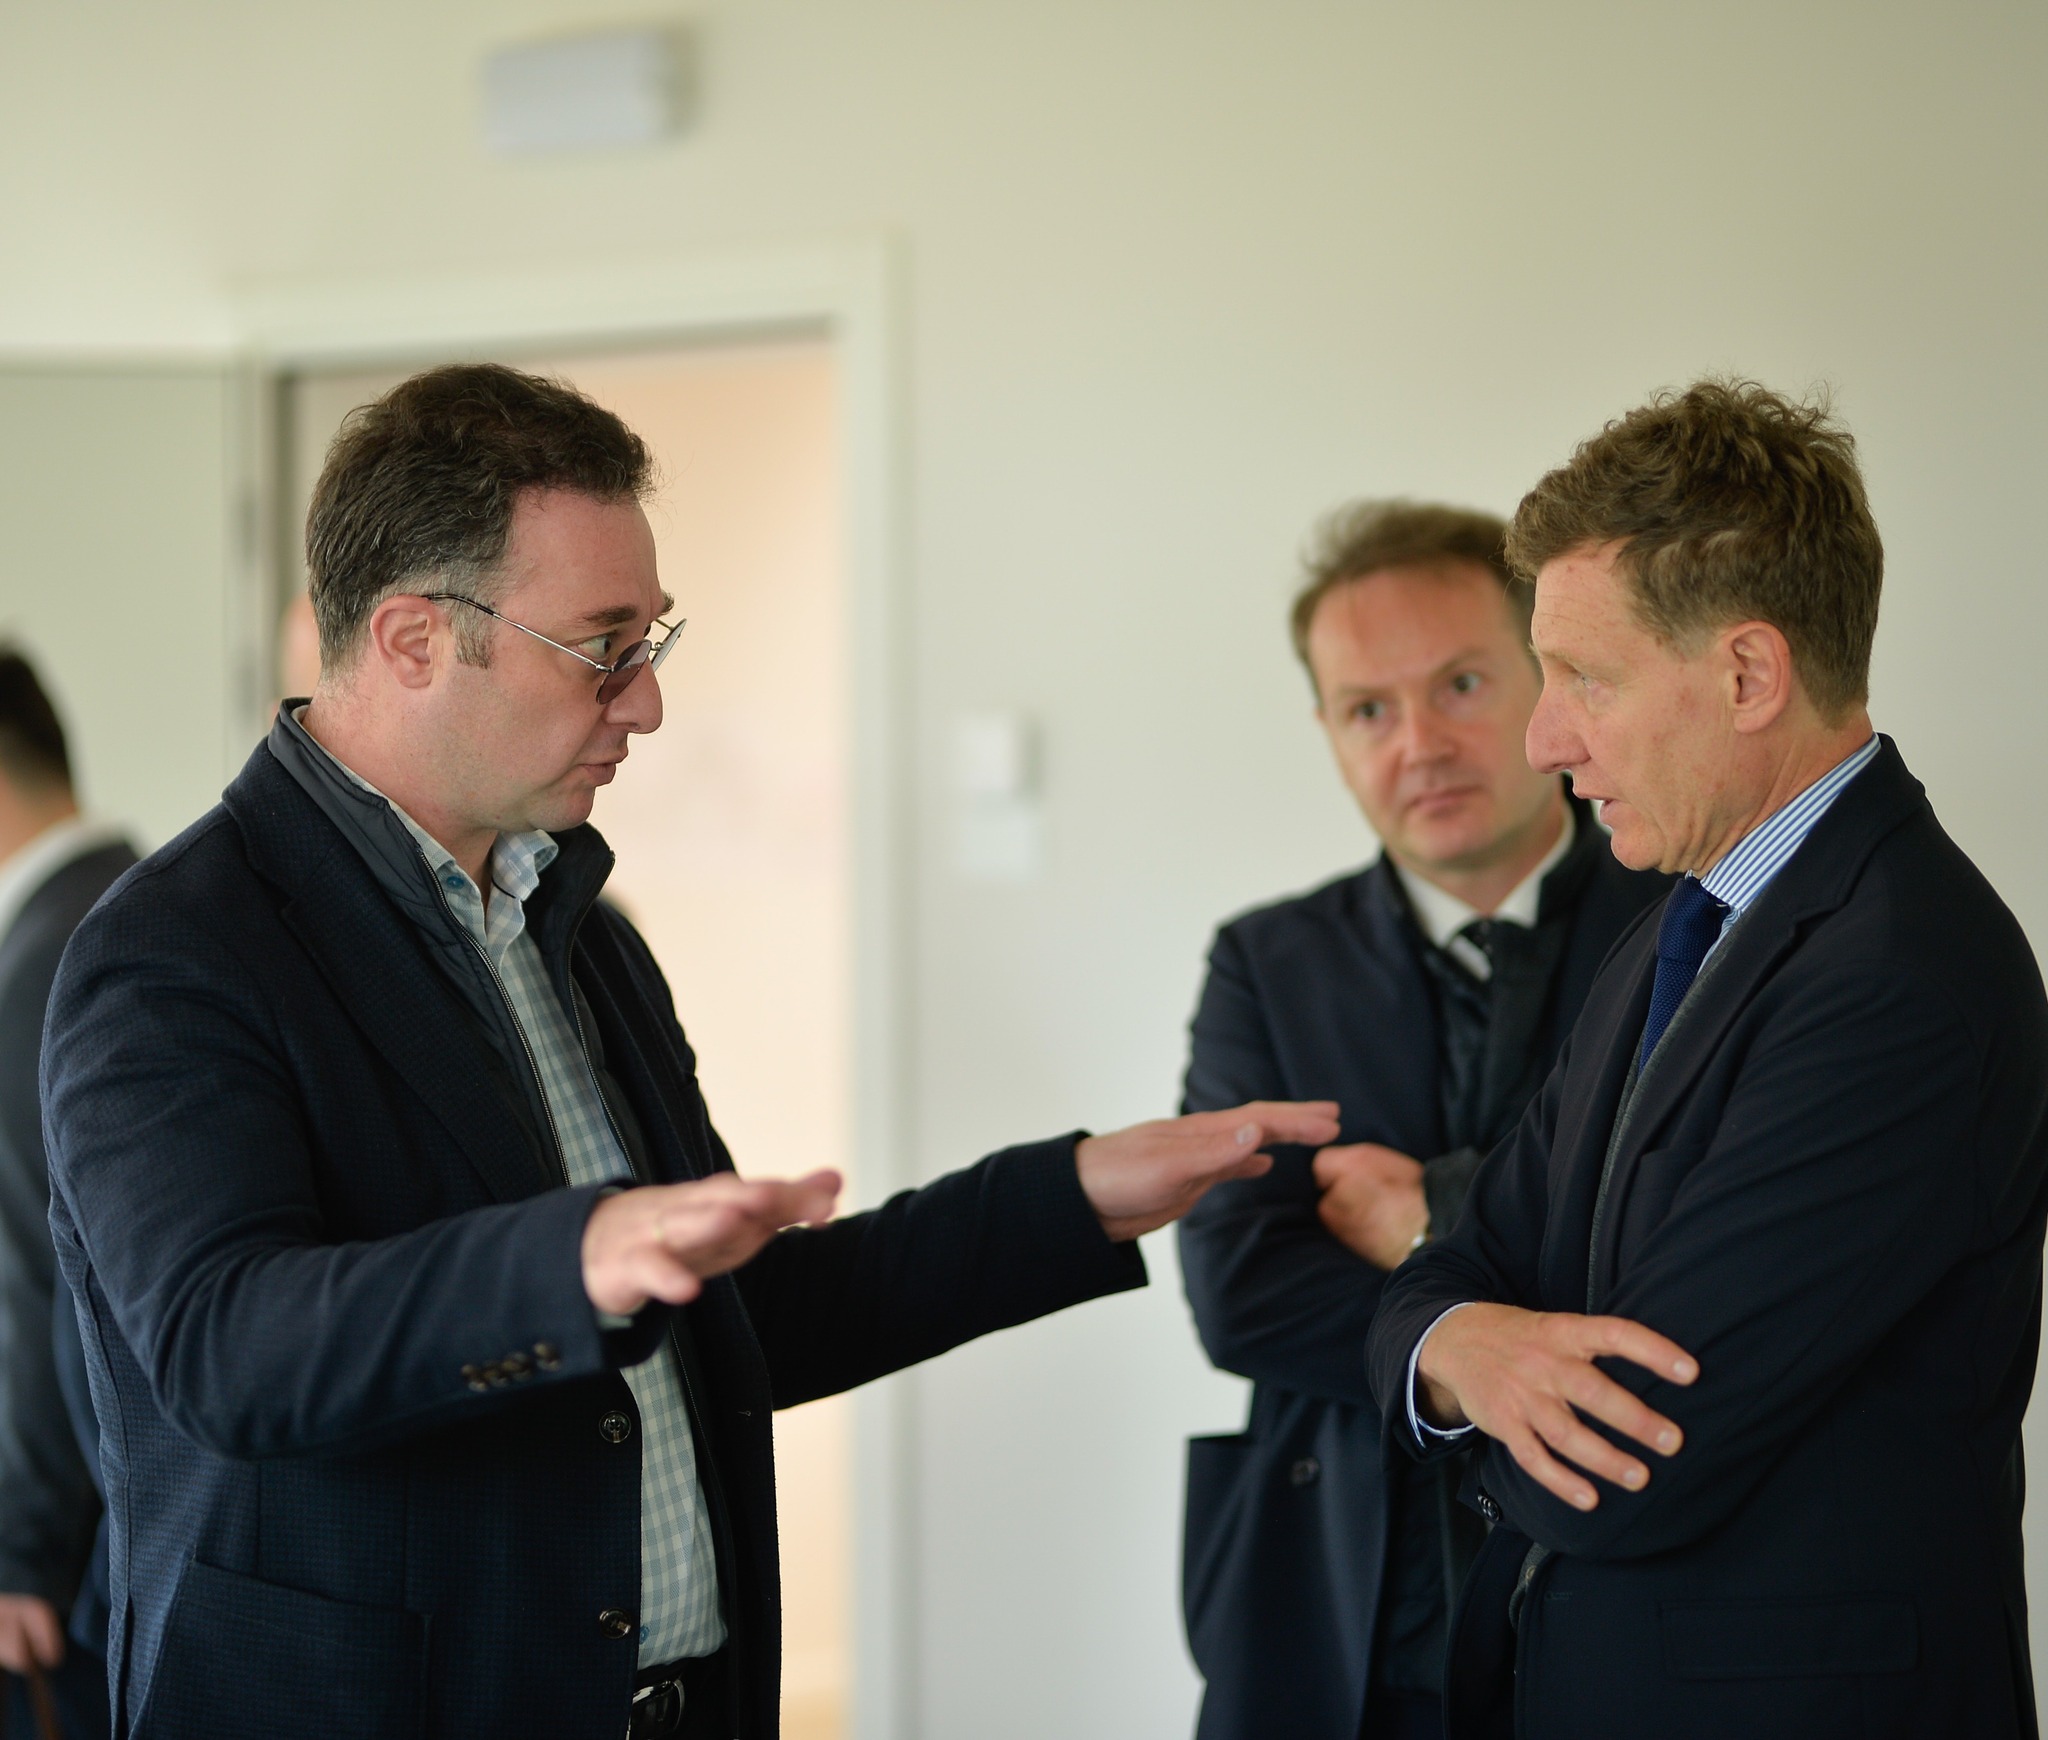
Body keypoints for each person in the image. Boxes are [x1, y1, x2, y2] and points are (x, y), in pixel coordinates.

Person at [39, 363, 1339, 1740]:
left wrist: (1070, 1195)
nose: (645, 702)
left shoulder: (575, 927)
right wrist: (573, 1259)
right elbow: (226, 1349)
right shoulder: (175, 948)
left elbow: (733, 1318)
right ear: (415, 639)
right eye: (602, 646)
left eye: (649, 639)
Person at [1366, 380, 2048, 1739]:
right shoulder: (1681, 919)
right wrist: (1460, 1338)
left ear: (1746, 675)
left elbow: (1624, 1457)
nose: (1544, 739)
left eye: (1586, 678)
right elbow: (1472, 1253)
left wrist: (1475, 1358)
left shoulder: (1902, 980)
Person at [1176, 503, 1665, 1740]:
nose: (1419, 745)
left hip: (1619, 1603)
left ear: (1548, 677)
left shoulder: (1687, 925)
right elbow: (1240, 1290)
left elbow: (1685, 1255)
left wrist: (1422, 1216)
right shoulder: (1264, 966)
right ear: (1327, 732)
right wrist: (1470, 1347)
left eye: (1458, 684)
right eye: (1366, 710)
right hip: (1335, 1610)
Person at [0, 651, 134, 1740]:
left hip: (77, 1554)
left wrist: (20, 1549)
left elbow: (39, 1272)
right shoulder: (136, 900)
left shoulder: (47, 959)